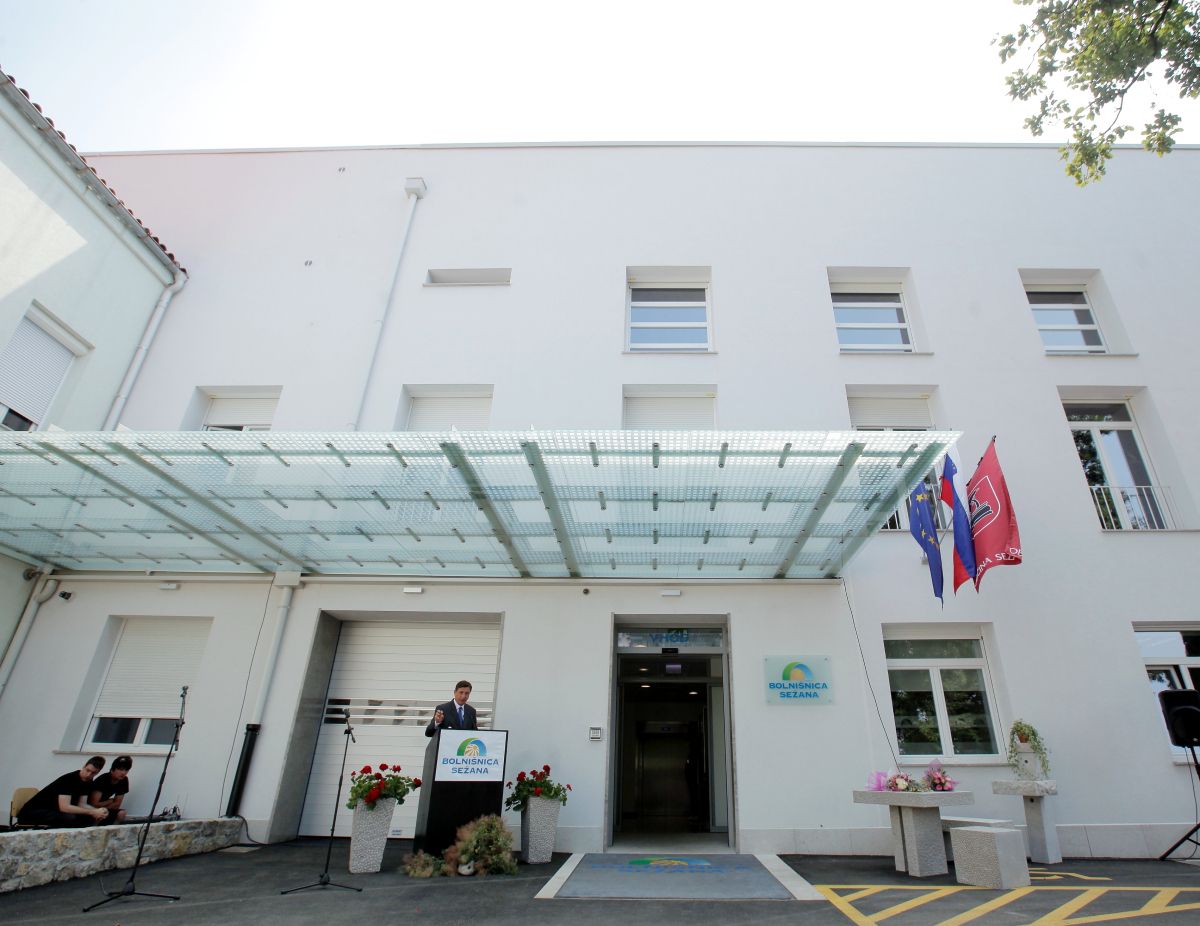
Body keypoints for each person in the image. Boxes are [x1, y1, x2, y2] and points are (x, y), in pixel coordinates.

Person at [17, 757, 110, 827]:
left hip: (53, 811)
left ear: (98, 772)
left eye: (93, 773)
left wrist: (97, 811)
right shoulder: (69, 779)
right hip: (32, 812)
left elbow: (82, 804)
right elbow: (64, 807)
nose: (89, 774)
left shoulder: (88, 782)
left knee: (88, 817)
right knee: (69, 817)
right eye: (87, 770)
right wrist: (92, 812)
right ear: (83, 767)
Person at [89, 754, 132, 824]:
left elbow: (117, 804)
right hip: (91, 809)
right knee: (100, 814)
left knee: (122, 813)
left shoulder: (124, 780)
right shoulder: (102, 779)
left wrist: (106, 807)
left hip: (106, 808)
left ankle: (114, 830)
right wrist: (109, 801)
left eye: (126, 770)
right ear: (113, 769)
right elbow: (94, 804)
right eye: (120, 769)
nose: (123, 773)